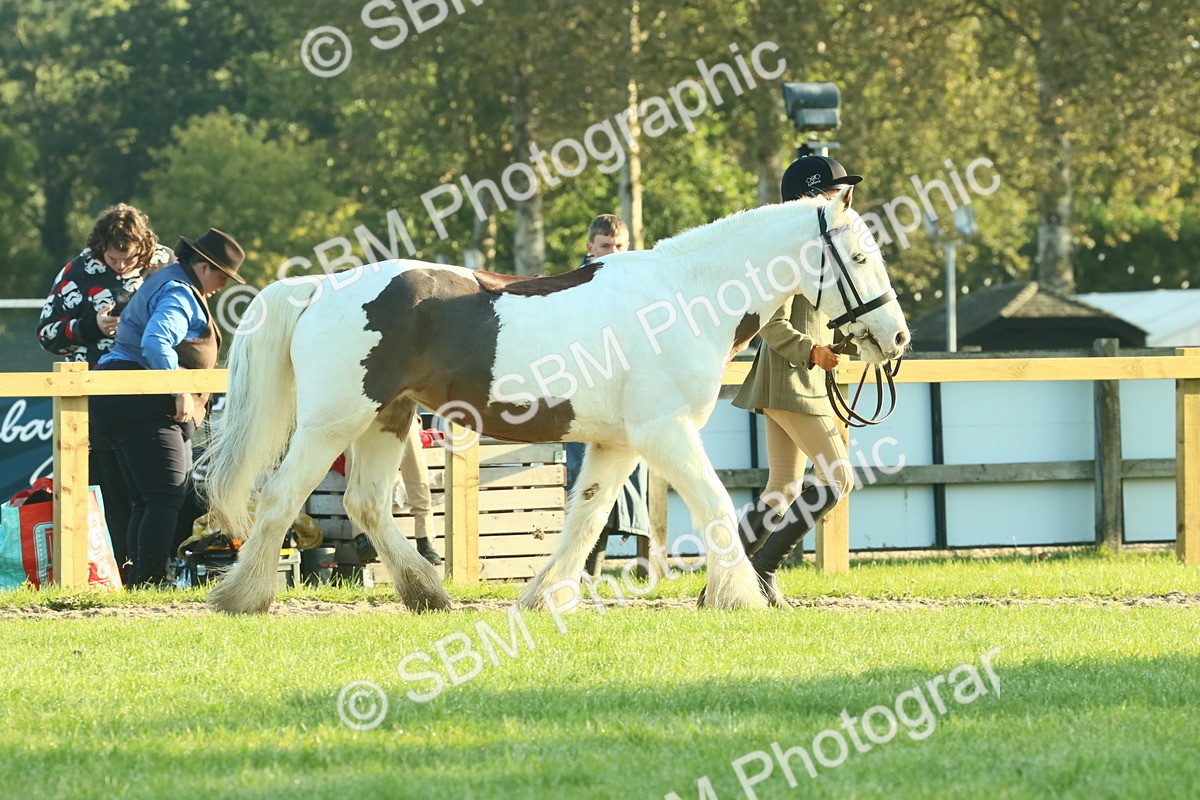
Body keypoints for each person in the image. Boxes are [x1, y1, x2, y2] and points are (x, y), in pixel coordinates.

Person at [729, 155, 863, 605]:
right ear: (809, 197)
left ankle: (723, 582)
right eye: (833, 192)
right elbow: (771, 323)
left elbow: (832, 312)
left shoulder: (822, 248)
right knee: (837, 479)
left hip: (799, 379)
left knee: (783, 488)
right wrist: (813, 351)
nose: (842, 199)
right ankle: (762, 574)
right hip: (791, 377)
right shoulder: (787, 251)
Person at [90, 228, 245, 586]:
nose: (223, 284)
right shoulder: (179, 291)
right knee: (164, 497)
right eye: (223, 275)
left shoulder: (169, 282)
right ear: (204, 266)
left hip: (119, 396)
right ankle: (150, 580)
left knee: (146, 500)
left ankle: (139, 580)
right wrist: (178, 390)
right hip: (141, 399)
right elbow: (157, 340)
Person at [36, 203, 174, 582]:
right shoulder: (77, 272)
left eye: (128, 258)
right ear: (100, 248)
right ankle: (116, 575)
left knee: (159, 490)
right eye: (113, 258)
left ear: (142, 249)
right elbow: (47, 334)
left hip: (156, 392)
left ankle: (153, 573)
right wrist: (92, 325)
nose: (120, 266)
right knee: (112, 491)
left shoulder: (164, 264)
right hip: (100, 399)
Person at [567, 214, 650, 576]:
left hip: (625, 397)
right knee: (585, 479)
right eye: (605, 246)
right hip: (582, 397)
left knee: (625, 480)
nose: (612, 252)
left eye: (618, 246)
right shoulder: (571, 284)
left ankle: (622, 567)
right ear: (590, 248)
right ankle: (585, 569)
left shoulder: (639, 284)